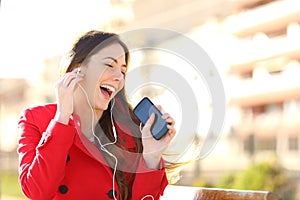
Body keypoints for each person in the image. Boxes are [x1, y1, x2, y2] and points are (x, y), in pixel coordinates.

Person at [17, 30, 177, 200]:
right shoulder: (36, 119)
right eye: (109, 65)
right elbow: (37, 192)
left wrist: (151, 156)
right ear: (77, 69)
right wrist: (62, 118)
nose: (118, 78)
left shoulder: (127, 131)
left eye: (123, 71)